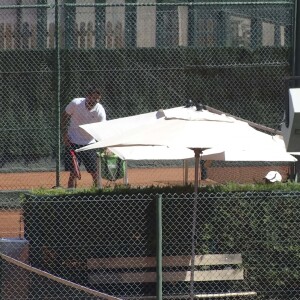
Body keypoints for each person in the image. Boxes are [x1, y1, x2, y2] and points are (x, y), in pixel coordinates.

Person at [62, 86, 106, 188]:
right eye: (93, 97)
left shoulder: (100, 111)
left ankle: (99, 195)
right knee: (73, 174)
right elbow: (64, 116)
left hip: (89, 144)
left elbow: (102, 129)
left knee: (95, 173)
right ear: (87, 96)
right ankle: (71, 198)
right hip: (73, 142)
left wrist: (105, 146)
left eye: (97, 98)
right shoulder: (76, 103)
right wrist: (64, 135)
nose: (95, 100)